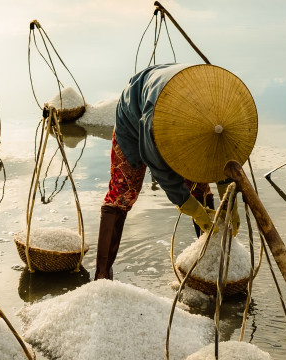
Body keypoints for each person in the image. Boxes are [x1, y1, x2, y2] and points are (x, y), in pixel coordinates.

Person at [95, 63, 252, 280]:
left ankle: (209, 264)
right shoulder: (155, 120)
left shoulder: (221, 111)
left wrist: (230, 199)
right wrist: (192, 209)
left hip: (190, 115)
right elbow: (159, 167)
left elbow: (223, 156)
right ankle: (102, 274)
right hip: (134, 117)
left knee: (199, 185)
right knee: (123, 193)